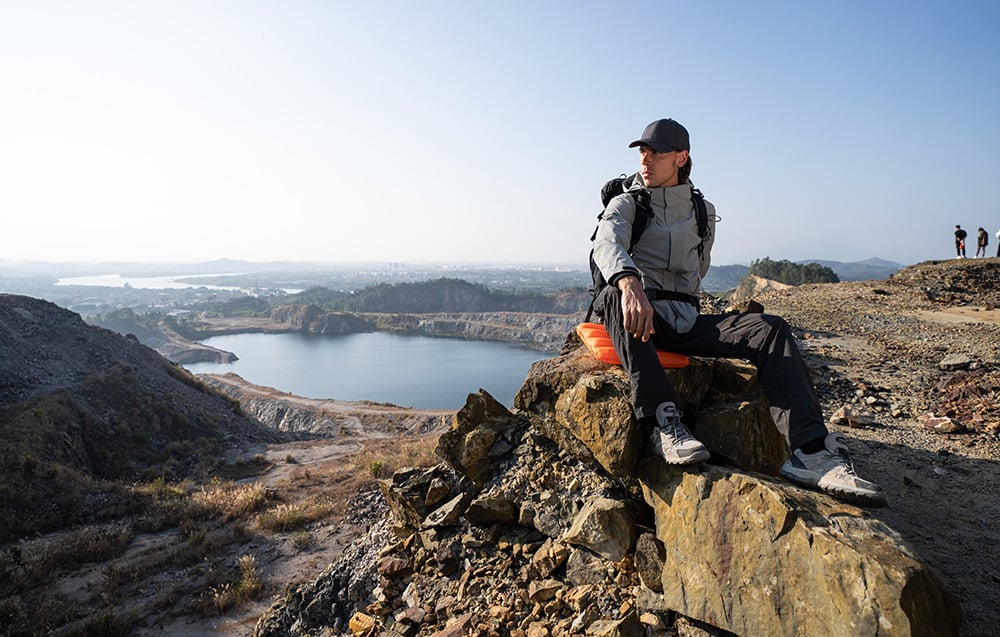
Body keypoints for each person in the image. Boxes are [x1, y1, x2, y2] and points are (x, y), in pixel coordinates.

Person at [590, 118, 887, 507]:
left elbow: (699, 269)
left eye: (656, 152)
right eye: (643, 152)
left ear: (681, 158)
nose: (645, 160)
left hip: (685, 320)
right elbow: (607, 243)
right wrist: (630, 284)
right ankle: (664, 422)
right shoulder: (627, 203)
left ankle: (812, 452)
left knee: (770, 329)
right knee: (615, 295)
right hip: (639, 314)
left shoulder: (702, 211)